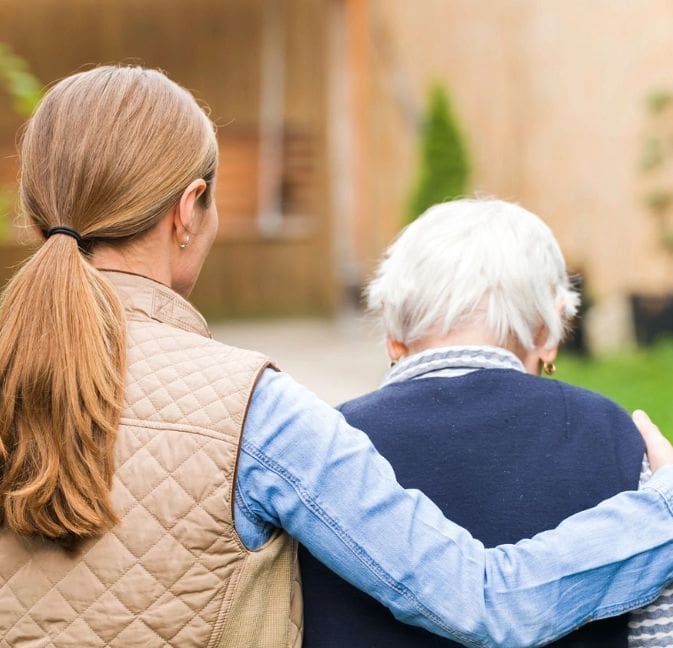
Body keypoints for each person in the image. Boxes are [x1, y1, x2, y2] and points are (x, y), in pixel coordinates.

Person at [2, 67, 673, 648]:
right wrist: (661, 509)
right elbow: (483, 601)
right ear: (188, 211)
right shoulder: (252, 412)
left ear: (37, 216)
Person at [298, 198, 664, 647]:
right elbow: (656, 632)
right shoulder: (615, 435)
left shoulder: (327, 443)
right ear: (548, 335)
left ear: (394, 338)